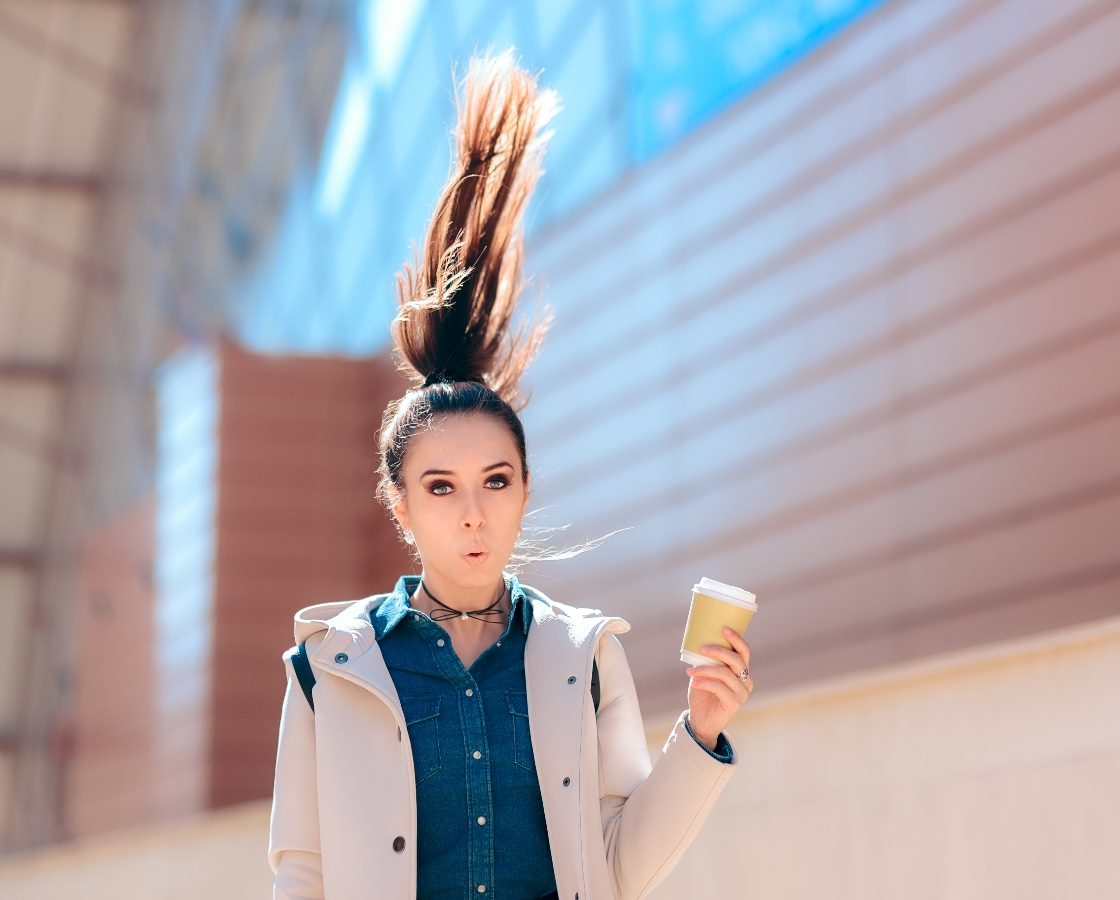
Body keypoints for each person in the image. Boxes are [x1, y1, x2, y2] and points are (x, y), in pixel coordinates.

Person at [267, 50, 755, 900]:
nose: (473, 514)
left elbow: (621, 864)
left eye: (496, 482)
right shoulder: (329, 668)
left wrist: (703, 731)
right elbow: (301, 874)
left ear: (525, 491)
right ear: (400, 506)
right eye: (441, 488)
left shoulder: (581, 653)